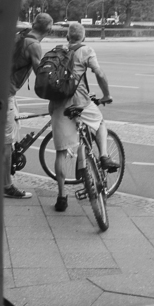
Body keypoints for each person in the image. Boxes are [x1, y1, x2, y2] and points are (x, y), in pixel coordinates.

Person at [48, 21, 117, 212]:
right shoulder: (86, 50)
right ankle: (103, 156)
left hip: (58, 104)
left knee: (61, 153)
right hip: (80, 102)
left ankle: (62, 198)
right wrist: (106, 95)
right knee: (100, 122)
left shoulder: (58, 50)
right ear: (83, 37)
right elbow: (99, 73)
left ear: (67, 37)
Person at [6, 12, 53, 199]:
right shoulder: (34, 45)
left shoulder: (21, 35)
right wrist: (54, 95)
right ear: (49, 29)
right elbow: (40, 75)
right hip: (5, 92)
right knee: (6, 142)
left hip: (4, 89)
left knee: (12, 132)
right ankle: (6, 186)